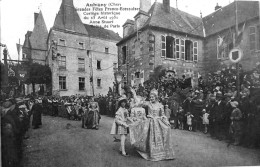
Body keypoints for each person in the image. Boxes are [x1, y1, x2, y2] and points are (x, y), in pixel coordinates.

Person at [129, 88, 175, 161]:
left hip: (158, 123)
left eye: (152, 97)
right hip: (150, 122)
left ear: (156, 97)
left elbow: (163, 115)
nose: (151, 98)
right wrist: (134, 94)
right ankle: (150, 153)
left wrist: (167, 122)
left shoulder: (160, 105)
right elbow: (139, 102)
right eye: (150, 97)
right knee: (148, 137)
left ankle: (161, 154)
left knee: (160, 137)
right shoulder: (148, 104)